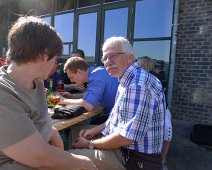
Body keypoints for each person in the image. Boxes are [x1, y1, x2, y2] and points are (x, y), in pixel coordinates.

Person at [0, 16, 97, 170]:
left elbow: (35, 119)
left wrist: (51, 131)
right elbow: (40, 156)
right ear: (43, 55)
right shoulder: (3, 92)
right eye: (55, 59)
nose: (55, 65)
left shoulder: (36, 82)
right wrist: (83, 163)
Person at [69, 36, 166, 170]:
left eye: (113, 56)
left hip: (132, 159)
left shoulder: (138, 85)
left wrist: (89, 144)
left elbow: (125, 138)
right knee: (76, 131)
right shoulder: (125, 80)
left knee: (67, 158)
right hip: (122, 148)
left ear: (130, 57)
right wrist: (94, 130)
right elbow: (116, 119)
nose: (108, 62)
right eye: (105, 58)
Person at [137, 56, 172, 169]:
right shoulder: (139, 77)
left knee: (168, 130)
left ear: (144, 65)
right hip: (147, 108)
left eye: (139, 64)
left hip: (162, 109)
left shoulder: (155, 77)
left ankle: (163, 160)